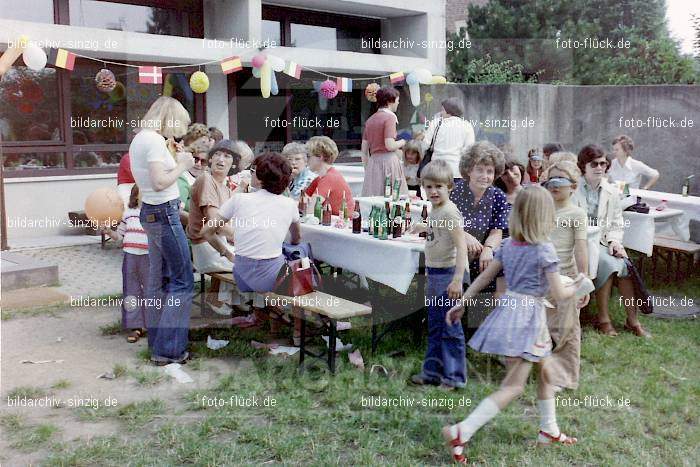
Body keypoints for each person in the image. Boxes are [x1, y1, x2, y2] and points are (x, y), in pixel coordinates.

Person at [441, 186, 582, 464]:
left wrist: (463, 301)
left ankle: (549, 430)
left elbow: (483, 278)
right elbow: (560, 292)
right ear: (546, 216)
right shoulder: (545, 250)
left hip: (510, 313)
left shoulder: (507, 245)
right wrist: (579, 285)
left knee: (545, 374)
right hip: (529, 320)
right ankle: (462, 431)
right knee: (513, 387)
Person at [202, 153, 302, 339]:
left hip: (241, 273)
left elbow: (206, 232)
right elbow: (296, 238)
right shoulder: (289, 204)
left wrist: (226, 253)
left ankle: (272, 317)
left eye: (253, 171)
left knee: (278, 261)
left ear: (260, 177)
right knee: (301, 261)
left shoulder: (239, 200)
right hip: (270, 277)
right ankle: (297, 329)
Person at [129, 96, 195, 365]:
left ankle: (158, 344)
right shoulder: (154, 141)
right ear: (171, 118)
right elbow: (159, 182)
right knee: (183, 281)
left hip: (151, 213)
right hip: (164, 212)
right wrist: (183, 165)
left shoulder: (140, 139)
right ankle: (170, 350)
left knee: (159, 281)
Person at [572, 144, 650, 337]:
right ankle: (604, 320)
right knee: (609, 265)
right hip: (579, 243)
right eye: (595, 164)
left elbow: (616, 222)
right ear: (583, 166)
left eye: (603, 164)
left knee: (624, 266)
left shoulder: (611, 191)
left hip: (603, 242)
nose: (600, 168)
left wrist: (615, 242)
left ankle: (633, 320)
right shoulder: (573, 189)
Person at [408, 160, 467, 390]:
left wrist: (457, 280)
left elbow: (461, 247)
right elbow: (436, 227)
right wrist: (423, 227)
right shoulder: (437, 210)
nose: (433, 191)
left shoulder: (451, 212)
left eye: (439, 187)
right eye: (429, 187)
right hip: (433, 274)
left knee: (450, 326)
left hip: (448, 275)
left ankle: (454, 377)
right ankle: (432, 372)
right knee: (434, 325)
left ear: (449, 187)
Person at [542, 160, 590, 390]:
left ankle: (564, 377)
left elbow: (581, 247)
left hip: (566, 278)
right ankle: (532, 364)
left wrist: (584, 279)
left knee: (567, 328)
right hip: (540, 276)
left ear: (573, 186)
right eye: (551, 180)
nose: (555, 185)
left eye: (561, 180)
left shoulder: (576, 213)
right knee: (541, 323)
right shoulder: (542, 208)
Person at [187, 140, 244, 315]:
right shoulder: (206, 180)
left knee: (252, 254)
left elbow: (228, 220)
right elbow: (215, 225)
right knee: (253, 264)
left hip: (216, 244)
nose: (221, 159)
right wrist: (243, 235)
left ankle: (231, 298)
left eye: (227, 156)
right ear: (210, 159)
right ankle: (219, 299)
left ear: (233, 163)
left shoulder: (224, 186)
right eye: (217, 154)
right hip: (205, 247)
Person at [450, 142, 509, 287]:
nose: (485, 176)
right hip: (455, 247)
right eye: (479, 170)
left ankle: (495, 307)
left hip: (483, 250)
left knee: (499, 261)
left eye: (489, 171)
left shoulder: (498, 196)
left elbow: (497, 232)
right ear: (469, 170)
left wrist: (488, 249)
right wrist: (465, 236)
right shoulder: (456, 191)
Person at [102, 185, 148, 344]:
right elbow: (119, 236)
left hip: (149, 258)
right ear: (135, 195)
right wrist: (108, 231)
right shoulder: (128, 213)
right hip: (130, 256)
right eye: (144, 191)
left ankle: (151, 323)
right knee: (131, 291)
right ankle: (135, 326)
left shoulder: (154, 213)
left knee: (151, 290)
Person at [360, 86, 408, 197]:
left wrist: (368, 169)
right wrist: (403, 141)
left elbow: (364, 150)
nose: (398, 103)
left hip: (373, 162)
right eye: (397, 100)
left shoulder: (370, 120)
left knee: (375, 200)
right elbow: (390, 145)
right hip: (388, 162)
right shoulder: (390, 118)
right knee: (393, 199)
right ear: (390, 101)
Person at [420, 97, 475, 181]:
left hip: (436, 169)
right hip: (456, 171)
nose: (441, 113)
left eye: (442, 110)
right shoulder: (467, 125)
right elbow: (468, 150)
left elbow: (425, 145)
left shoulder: (436, 123)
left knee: (436, 193)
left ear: (447, 110)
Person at [305, 136, 354, 216]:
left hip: (344, 225)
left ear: (320, 157)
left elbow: (310, 210)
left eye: (308, 156)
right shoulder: (320, 178)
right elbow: (302, 201)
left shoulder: (329, 178)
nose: (306, 160)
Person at [177, 137, 212, 218]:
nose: (198, 164)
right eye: (195, 159)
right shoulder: (182, 177)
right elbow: (177, 212)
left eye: (203, 161)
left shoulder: (206, 178)